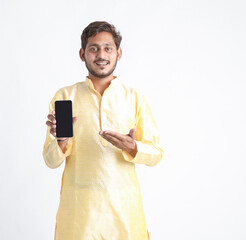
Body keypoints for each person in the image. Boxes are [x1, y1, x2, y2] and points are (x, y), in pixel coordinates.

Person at [43, 21, 164, 240]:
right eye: (94, 48)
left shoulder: (133, 98)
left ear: (119, 53)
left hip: (125, 214)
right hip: (80, 216)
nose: (101, 54)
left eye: (108, 48)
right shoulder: (65, 97)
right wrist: (61, 141)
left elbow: (156, 153)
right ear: (82, 53)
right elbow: (51, 161)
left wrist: (134, 147)